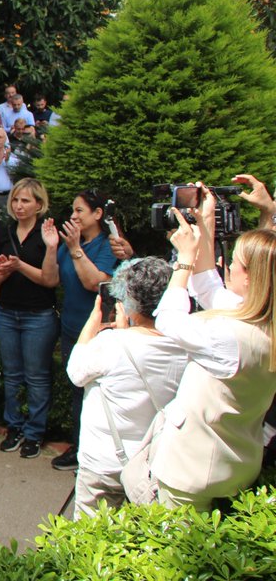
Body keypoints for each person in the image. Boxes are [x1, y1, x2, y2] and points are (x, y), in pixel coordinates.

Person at [121, 200, 276, 511]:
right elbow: (208, 286)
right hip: (234, 460)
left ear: (249, 278)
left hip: (193, 471)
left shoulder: (231, 337)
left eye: (235, 261)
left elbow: (168, 319)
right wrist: (204, 225)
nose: (227, 265)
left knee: (181, 549)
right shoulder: (262, 322)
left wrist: (183, 261)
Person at [67, 258, 187, 517]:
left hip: (103, 464)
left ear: (129, 299)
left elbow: (75, 372)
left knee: (87, 543)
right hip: (152, 466)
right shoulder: (185, 346)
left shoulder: (112, 343)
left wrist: (94, 319)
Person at [0, 179, 60, 460]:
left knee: (37, 377)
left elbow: (50, 279)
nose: (18, 206)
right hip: (6, 311)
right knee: (12, 373)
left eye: (25, 201)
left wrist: (20, 265)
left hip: (38, 314)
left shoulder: (47, 234)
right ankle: (14, 426)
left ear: (39, 205)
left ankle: (34, 432)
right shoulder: (4, 231)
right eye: (16, 200)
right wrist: (5, 269)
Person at [52, 190, 117, 472]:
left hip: (98, 332)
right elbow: (55, 278)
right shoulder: (67, 244)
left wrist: (77, 248)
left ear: (98, 214)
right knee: (76, 389)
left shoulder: (108, 245)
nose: (74, 216)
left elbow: (95, 283)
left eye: (80, 211)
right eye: (73, 210)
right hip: (70, 328)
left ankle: (95, 453)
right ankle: (79, 448)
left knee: (97, 394)